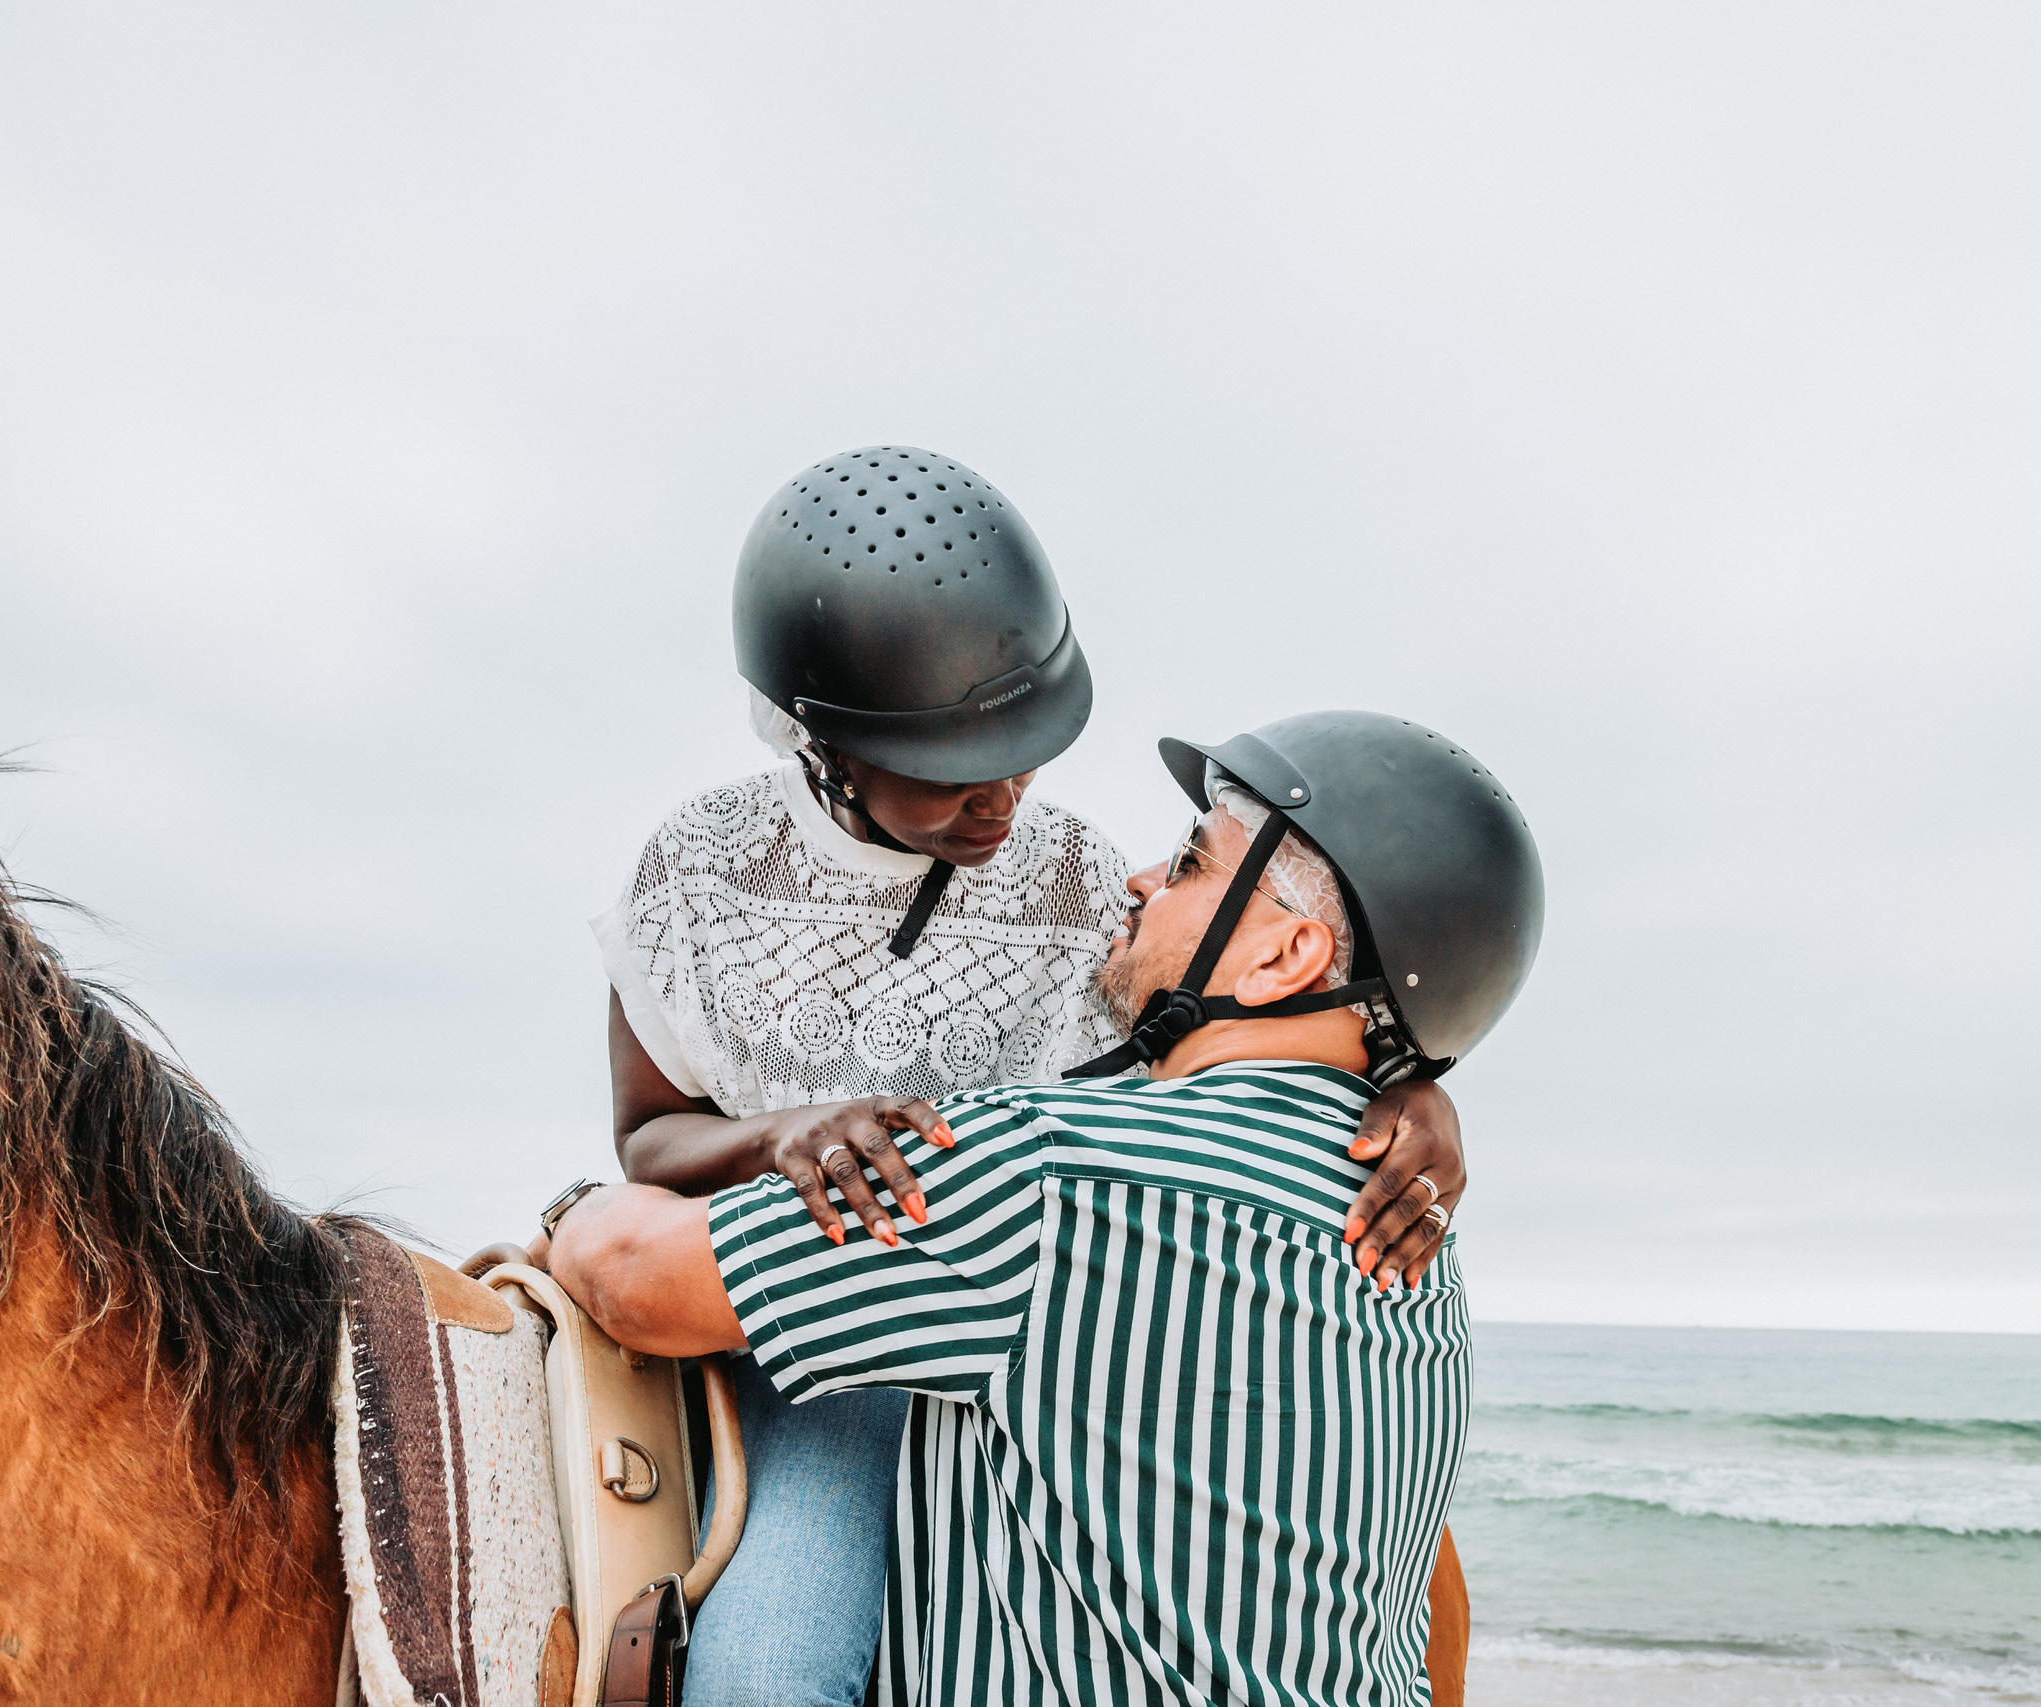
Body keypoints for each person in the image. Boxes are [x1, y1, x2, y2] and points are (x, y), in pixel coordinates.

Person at [578, 453, 1475, 1706]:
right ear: (822, 746)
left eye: (1028, 751)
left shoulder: (1072, 877)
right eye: (958, 770)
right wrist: (779, 1134)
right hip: (815, 1314)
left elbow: (1223, 1040)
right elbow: (648, 1136)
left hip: (1027, 1310)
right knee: (769, 1672)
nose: (1007, 797)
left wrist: (1409, 1080)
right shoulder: (694, 872)